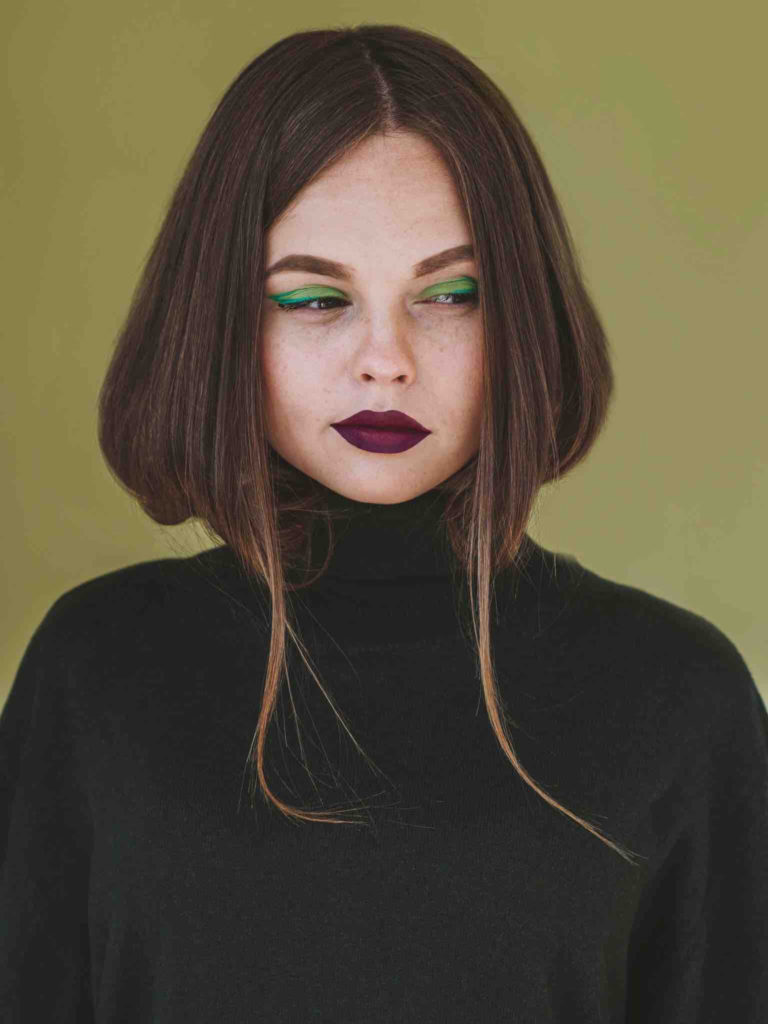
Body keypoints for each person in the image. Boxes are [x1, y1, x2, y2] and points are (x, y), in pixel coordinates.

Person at [1, 23, 766, 1023]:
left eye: (450, 294)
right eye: (317, 298)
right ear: (225, 320)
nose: (386, 358)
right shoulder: (94, 673)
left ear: (520, 318)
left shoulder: (679, 698)